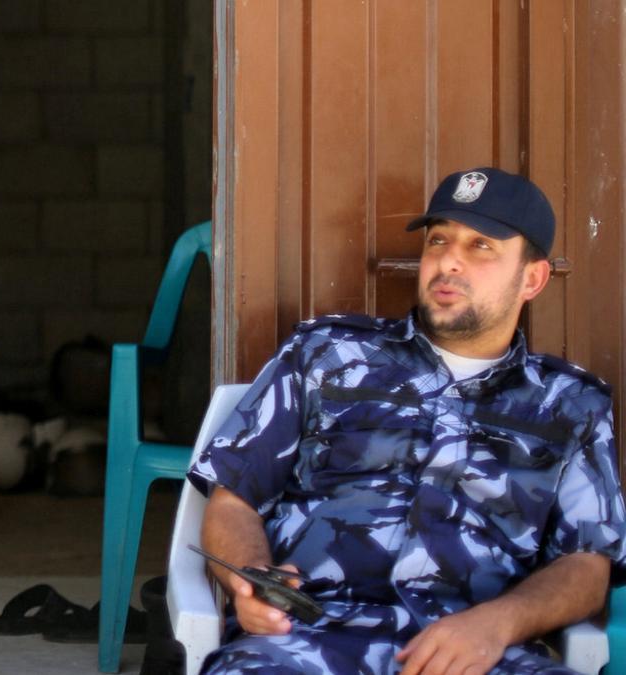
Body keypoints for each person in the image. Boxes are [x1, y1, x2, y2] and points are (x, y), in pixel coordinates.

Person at [189, 167, 626, 674]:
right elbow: (233, 497)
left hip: (474, 651)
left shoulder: (570, 406)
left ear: (533, 278)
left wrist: (498, 625)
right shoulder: (327, 356)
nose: (449, 261)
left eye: (480, 246)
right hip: (307, 641)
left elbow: (587, 564)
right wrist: (252, 577)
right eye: (438, 240)